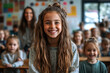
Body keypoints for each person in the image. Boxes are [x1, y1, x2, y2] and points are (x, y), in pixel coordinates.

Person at [29, 3, 79, 73]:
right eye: (47, 23)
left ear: (62, 24)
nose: (52, 26)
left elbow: (74, 71)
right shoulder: (35, 48)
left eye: (56, 22)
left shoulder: (71, 47)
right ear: (41, 25)